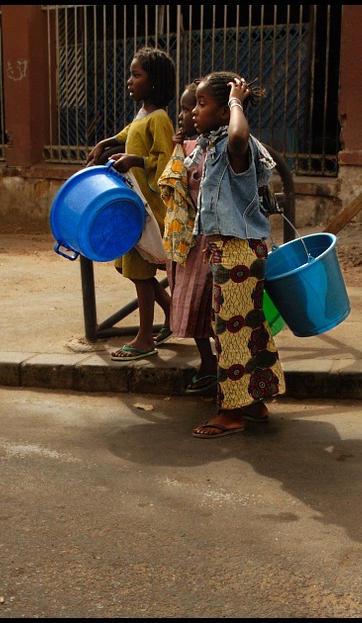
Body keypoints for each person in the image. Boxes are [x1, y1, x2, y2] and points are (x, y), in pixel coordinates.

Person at [187, 71, 286, 438]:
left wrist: (234, 101)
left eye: (202, 103)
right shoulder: (212, 145)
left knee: (229, 333)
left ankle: (232, 413)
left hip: (238, 252)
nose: (195, 111)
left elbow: (239, 134)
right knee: (247, 329)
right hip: (231, 250)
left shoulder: (237, 145)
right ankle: (255, 403)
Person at [85, 46, 175, 362]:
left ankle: (144, 337)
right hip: (135, 205)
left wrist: (135, 160)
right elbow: (128, 132)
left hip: (148, 211)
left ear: (154, 82)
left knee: (140, 271)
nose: (129, 81)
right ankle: (172, 313)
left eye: (136, 75)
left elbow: (166, 161)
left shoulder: (161, 119)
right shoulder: (144, 115)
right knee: (139, 269)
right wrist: (106, 142)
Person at [157, 80, 218, 394]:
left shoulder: (216, 150)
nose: (185, 114)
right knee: (191, 307)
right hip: (185, 244)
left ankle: (217, 365)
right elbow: (172, 186)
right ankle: (207, 362)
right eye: (182, 108)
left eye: (192, 106)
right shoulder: (188, 148)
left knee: (209, 307)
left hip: (207, 242)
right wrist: (177, 149)